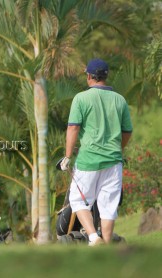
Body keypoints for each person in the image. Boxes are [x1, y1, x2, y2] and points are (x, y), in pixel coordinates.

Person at [59, 58, 133, 246]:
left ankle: (93, 237)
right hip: (114, 162)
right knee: (108, 206)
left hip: (88, 161)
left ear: (90, 76)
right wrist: (117, 150)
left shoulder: (81, 98)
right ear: (105, 76)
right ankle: (106, 245)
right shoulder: (120, 100)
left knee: (77, 200)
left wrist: (67, 157)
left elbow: (73, 129)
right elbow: (127, 131)